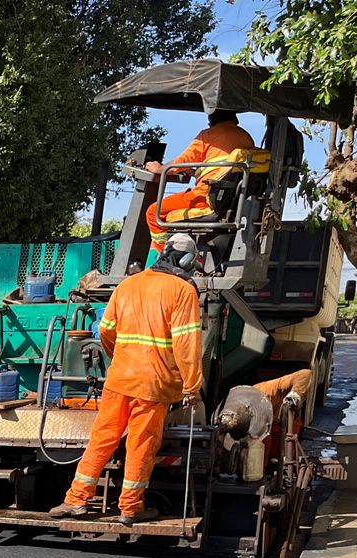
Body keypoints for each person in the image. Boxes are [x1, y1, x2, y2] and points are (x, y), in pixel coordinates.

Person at [50, 232, 203, 526]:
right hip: (152, 385)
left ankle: (76, 500)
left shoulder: (128, 285)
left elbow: (105, 331)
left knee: (102, 438)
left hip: (119, 378)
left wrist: (120, 356)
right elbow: (188, 346)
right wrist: (192, 386)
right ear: (185, 261)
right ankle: (131, 508)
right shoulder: (183, 292)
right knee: (140, 445)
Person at [144, 110, 257, 252]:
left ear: (211, 118)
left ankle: (165, 259)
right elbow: (225, 173)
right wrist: (195, 173)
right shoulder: (246, 137)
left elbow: (180, 162)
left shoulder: (208, 135)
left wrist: (159, 169)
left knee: (154, 212)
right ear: (234, 117)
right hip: (231, 200)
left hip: (206, 197)